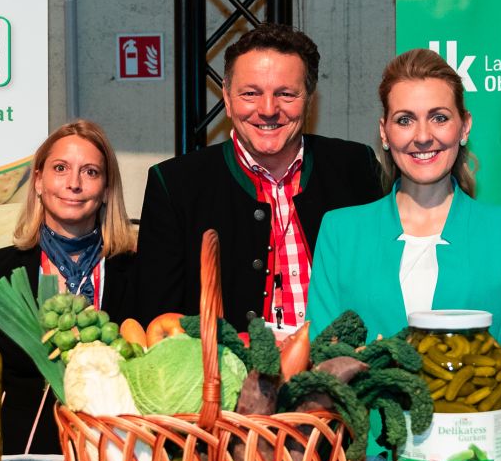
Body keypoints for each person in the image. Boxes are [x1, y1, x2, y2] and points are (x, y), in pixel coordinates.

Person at [135, 23, 383, 330]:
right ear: (226, 98)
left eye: (286, 94)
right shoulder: (174, 185)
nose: (268, 109)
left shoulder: (356, 168)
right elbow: (157, 325)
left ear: (309, 99)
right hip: (226, 376)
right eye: (250, 93)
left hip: (340, 370)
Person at [307, 49, 501, 346]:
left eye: (439, 117)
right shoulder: (340, 232)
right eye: (405, 120)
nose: (422, 136)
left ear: (464, 125)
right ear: (384, 132)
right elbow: (323, 362)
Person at [0, 120, 139, 452]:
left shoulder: (137, 271)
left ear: (105, 190)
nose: (74, 184)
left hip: (115, 456)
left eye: (90, 172)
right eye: (60, 168)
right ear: (39, 181)